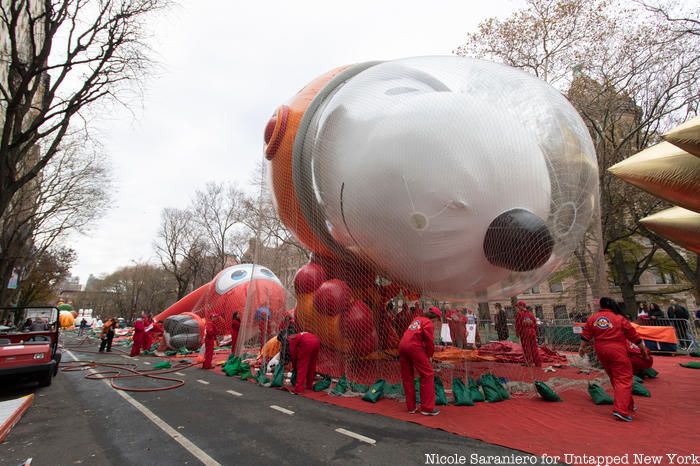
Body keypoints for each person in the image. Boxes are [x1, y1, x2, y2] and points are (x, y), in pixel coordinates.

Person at [579, 297, 650, 422]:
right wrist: (643, 350)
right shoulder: (619, 318)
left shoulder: (593, 318)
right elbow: (633, 335)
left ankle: (628, 404)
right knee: (623, 379)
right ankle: (621, 410)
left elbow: (586, 334)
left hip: (601, 350)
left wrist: (581, 348)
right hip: (617, 350)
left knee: (614, 377)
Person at [399, 306, 441, 416]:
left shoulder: (417, 319)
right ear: (435, 318)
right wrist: (429, 356)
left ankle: (411, 407)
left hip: (402, 345)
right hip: (413, 346)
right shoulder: (428, 323)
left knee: (407, 376)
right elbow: (429, 342)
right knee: (428, 374)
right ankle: (427, 408)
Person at [278, 329, 321, 395]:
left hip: (307, 343)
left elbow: (293, 354)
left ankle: (298, 389)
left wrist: (295, 366)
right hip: (316, 341)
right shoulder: (297, 335)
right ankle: (309, 385)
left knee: (302, 366)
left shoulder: (290, 339)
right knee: (312, 365)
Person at [515, 301, 541, 367]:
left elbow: (518, 324)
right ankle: (537, 362)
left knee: (527, 348)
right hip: (532, 332)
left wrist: (518, 333)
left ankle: (528, 362)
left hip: (525, 332)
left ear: (520, 306)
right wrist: (537, 333)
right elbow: (535, 324)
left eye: (517, 307)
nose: (517, 308)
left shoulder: (519, 314)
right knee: (534, 347)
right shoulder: (530, 314)